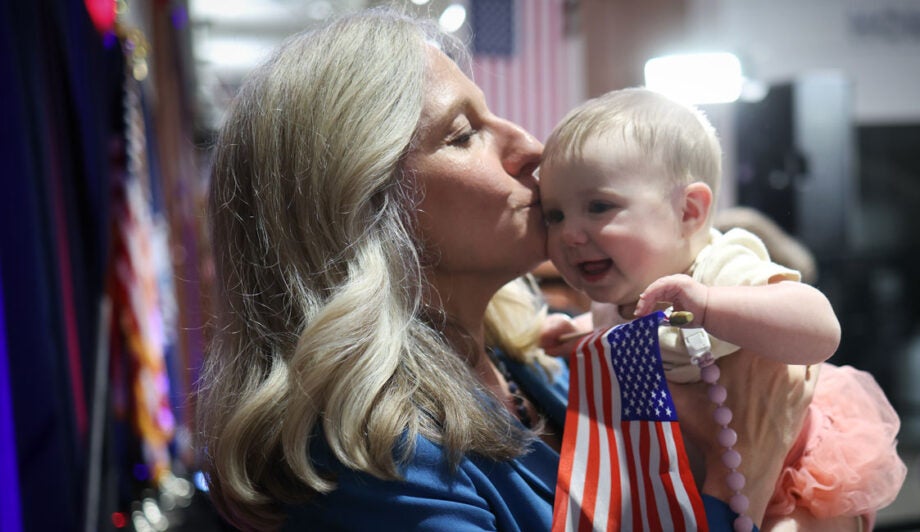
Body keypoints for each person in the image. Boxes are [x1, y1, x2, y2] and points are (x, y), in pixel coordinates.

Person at [196, 8, 812, 531]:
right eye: (465, 133)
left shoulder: (529, 357)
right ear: (360, 208)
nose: (532, 148)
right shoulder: (370, 463)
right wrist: (748, 470)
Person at [538, 88, 905, 531]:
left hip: (795, 473)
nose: (570, 234)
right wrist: (574, 332)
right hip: (707, 481)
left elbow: (820, 327)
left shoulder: (719, 268)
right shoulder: (612, 302)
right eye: (554, 215)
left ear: (689, 211)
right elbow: (616, 330)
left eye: (599, 207)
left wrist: (712, 306)